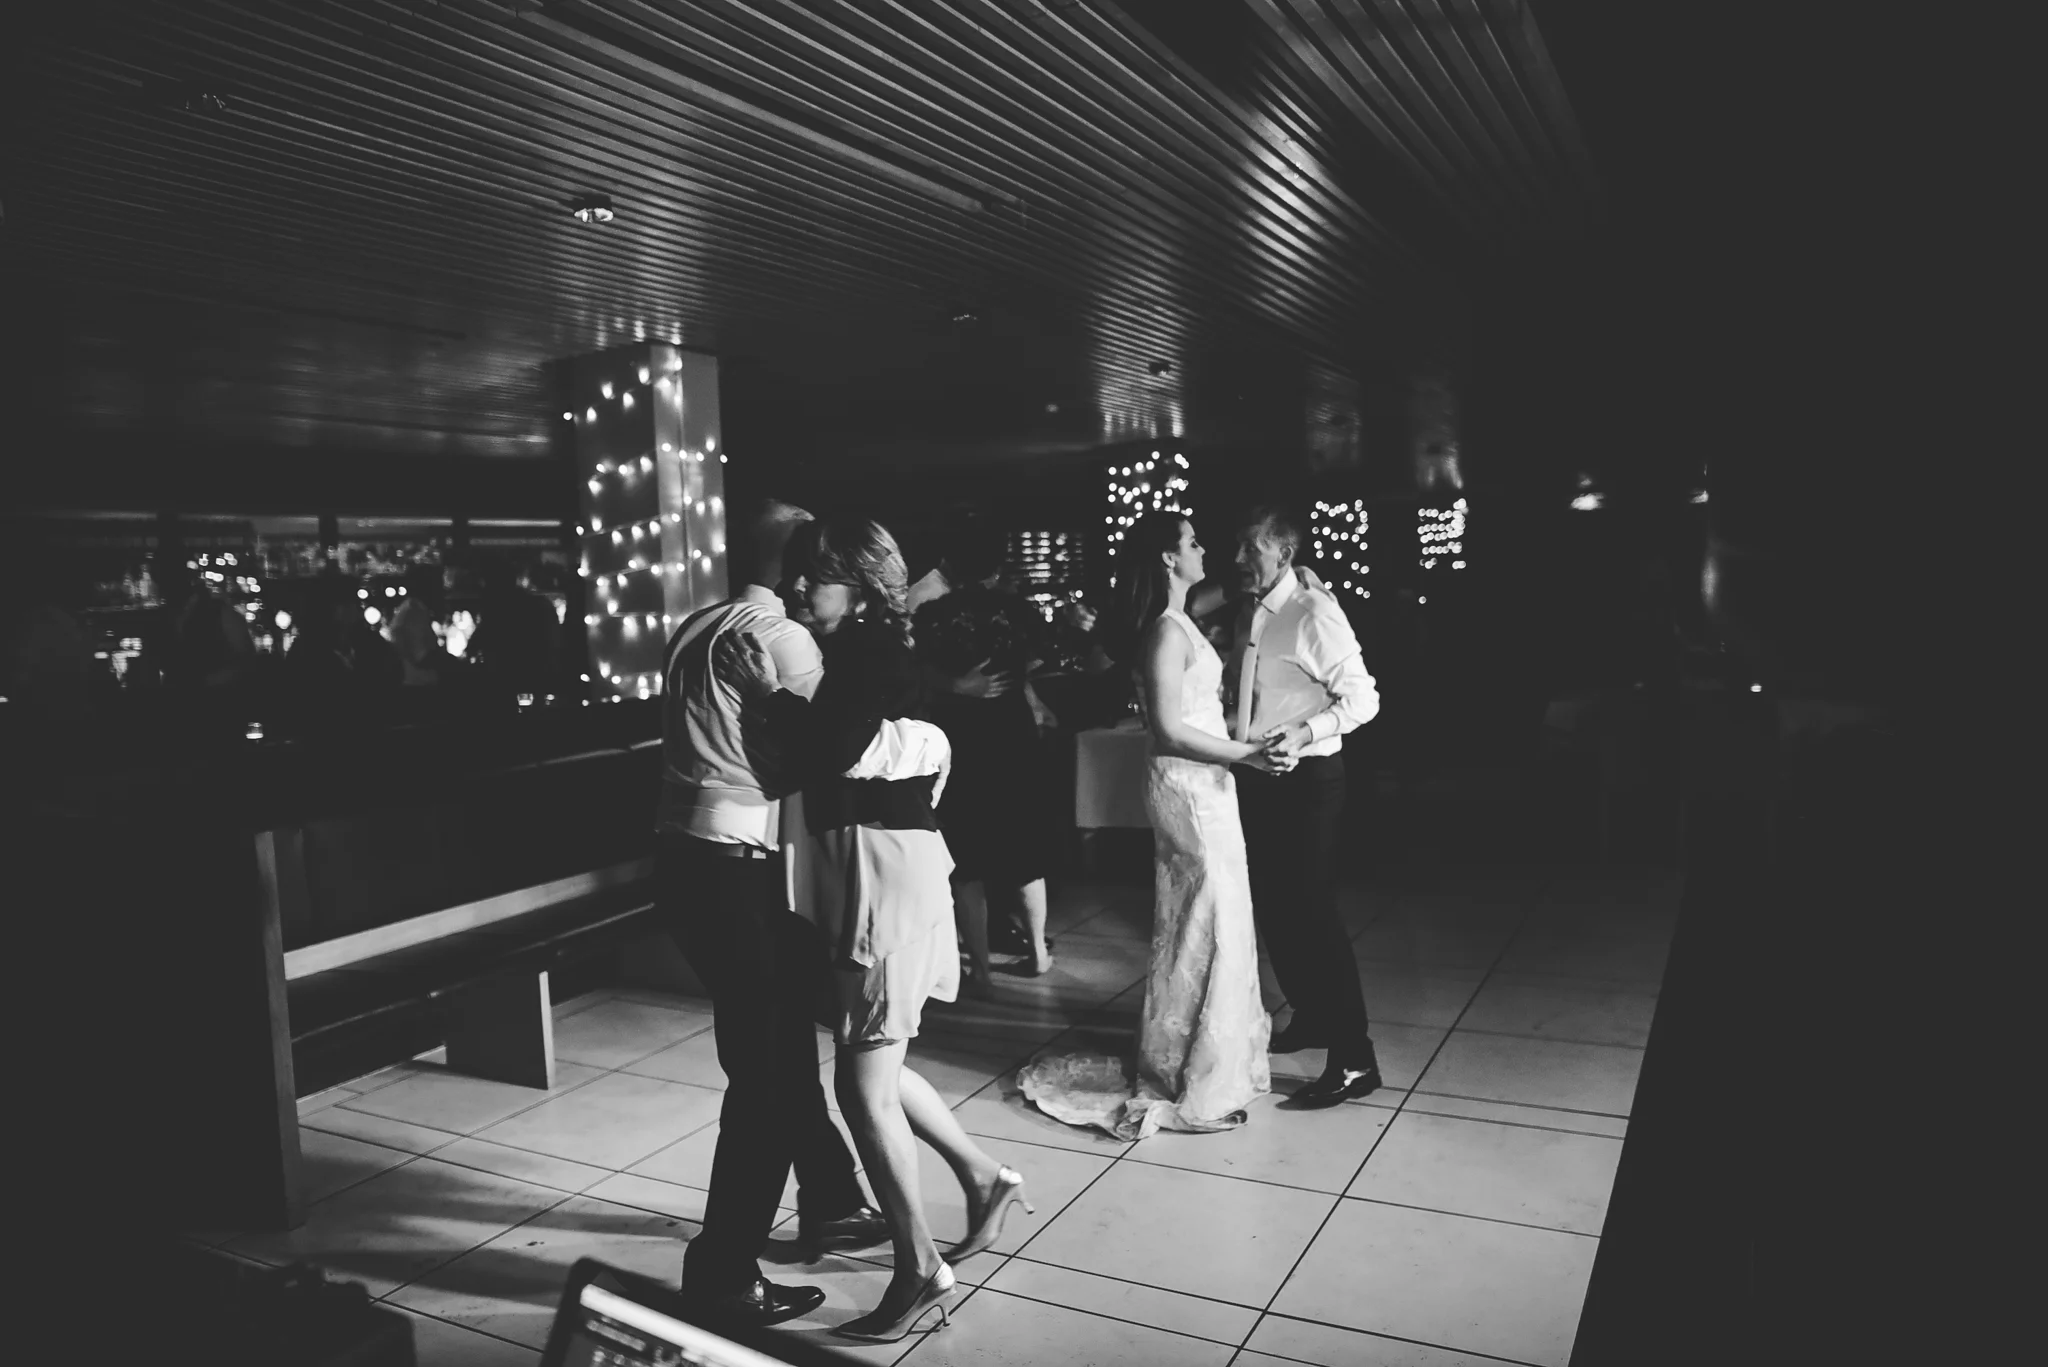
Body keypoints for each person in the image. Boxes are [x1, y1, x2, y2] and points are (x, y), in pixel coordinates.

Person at [722, 517, 1027, 1344]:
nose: (792, 589)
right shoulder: (860, 655)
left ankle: (922, 1267)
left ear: (856, 583)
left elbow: (819, 753)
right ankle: (981, 1174)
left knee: (862, 1084)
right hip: (871, 875)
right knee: (877, 1067)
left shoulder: (869, 656)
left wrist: (769, 693)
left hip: (883, 883)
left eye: (811, 577)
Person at [657, 501, 885, 1331]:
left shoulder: (696, 622)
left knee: (777, 1048)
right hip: (740, 866)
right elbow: (843, 745)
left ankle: (829, 1197)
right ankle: (720, 1273)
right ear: (803, 566)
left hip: (681, 857)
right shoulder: (780, 639)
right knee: (763, 1075)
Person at [1017, 512, 1290, 1140]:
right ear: (1168, 559)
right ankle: (1196, 1083)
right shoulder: (1166, 632)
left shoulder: (1179, 620)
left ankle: (1194, 1064)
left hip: (1205, 786)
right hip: (1190, 790)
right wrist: (1246, 755)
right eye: (1193, 542)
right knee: (1208, 922)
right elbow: (1168, 728)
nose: (1203, 549)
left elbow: (1199, 712)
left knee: (1205, 921)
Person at [1228, 506, 1384, 1107]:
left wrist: (1306, 732)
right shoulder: (1261, 610)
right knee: (1275, 906)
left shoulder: (1313, 611)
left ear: (1282, 554)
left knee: (1313, 914)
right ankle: (1315, 1016)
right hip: (1264, 776)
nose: (1238, 559)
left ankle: (1354, 1059)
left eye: (1249, 548)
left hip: (1311, 778)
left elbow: (1364, 698)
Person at [914, 526, 1061, 993]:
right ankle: (1037, 951)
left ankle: (979, 968)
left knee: (967, 858)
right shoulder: (1015, 612)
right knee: (1023, 849)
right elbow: (1036, 662)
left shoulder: (933, 612)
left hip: (961, 728)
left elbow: (916, 671)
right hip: (1010, 725)